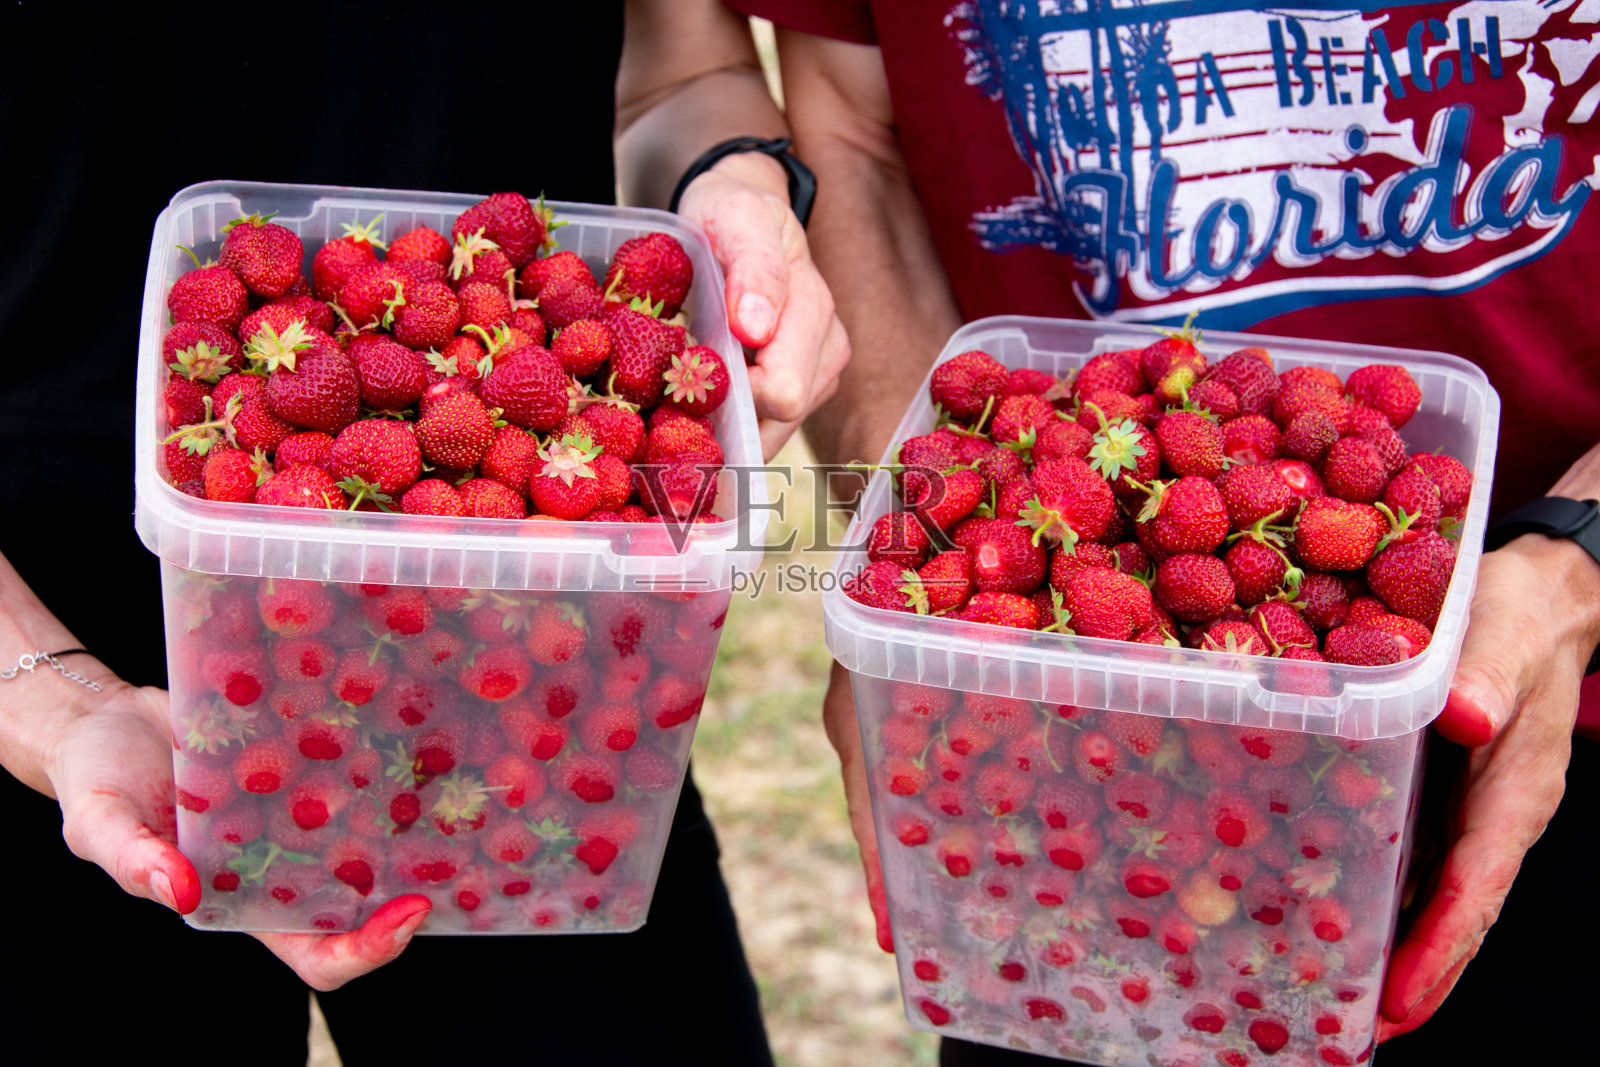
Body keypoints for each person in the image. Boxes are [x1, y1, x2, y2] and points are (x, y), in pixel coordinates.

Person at [727, 1, 1600, 1062]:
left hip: (1525, 681)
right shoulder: (1147, 539)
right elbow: (855, 140)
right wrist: (911, 555)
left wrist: (1573, 557)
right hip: (1046, 745)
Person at [0, 1, 843, 1062]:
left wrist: (735, 181)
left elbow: (672, 72)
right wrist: (45, 699)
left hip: (539, 648)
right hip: (61, 617)